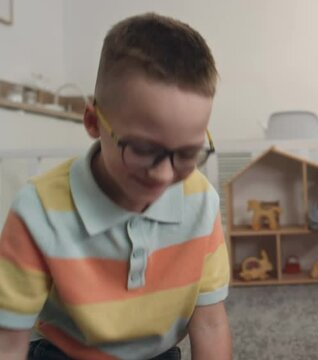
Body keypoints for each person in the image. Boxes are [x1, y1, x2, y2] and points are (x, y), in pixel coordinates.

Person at [0, 13, 231, 360]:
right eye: (142, 149)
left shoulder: (201, 202)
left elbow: (210, 324)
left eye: (187, 153)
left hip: (157, 354)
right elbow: (9, 342)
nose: (165, 175)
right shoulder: (39, 210)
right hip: (64, 352)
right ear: (93, 121)